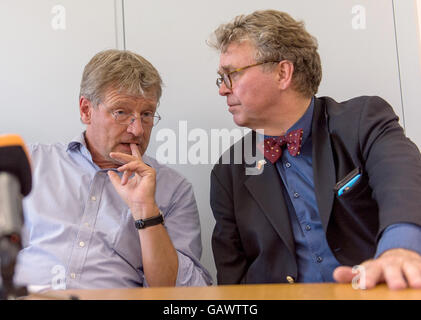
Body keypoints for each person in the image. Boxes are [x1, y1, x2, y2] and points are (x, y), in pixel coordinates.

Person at [209, 9, 421, 289]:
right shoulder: (229, 170)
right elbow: (232, 280)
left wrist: (399, 248)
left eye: (231, 74)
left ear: (282, 73)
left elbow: (403, 181)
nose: (222, 90)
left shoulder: (362, 120)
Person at [14, 49, 212, 291]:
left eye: (147, 114)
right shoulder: (30, 163)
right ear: (86, 110)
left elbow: (185, 292)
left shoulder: (174, 189)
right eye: (121, 112)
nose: (137, 129)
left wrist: (145, 211)